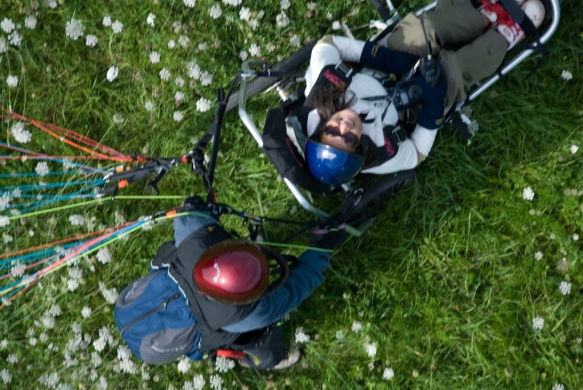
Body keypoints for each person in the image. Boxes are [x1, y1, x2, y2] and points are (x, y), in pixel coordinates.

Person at [302, 0, 545, 185]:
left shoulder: (323, 89)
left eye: (332, 131)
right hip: (411, 105)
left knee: (424, 30)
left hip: (381, 65)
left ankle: (481, 17)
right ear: (359, 147)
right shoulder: (378, 154)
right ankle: (503, 36)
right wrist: (434, 99)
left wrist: (391, 60)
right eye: (348, 139)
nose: (343, 127)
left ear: (322, 128)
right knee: (454, 72)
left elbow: (328, 45)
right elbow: (417, 153)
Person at [119, 197, 346, 370]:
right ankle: (264, 356)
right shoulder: (251, 315)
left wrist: (197, 205)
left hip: (148, 299)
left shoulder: (194, 237)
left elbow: (189, 212)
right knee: (266, 349)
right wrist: (322, 249)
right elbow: (297, 286)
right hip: (196, 327)